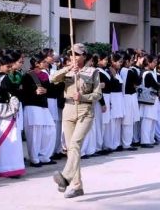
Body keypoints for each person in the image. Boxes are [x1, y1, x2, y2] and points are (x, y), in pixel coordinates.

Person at [51, 43, 102, 198]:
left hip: (85, 111)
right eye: (71, 53)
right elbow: (52, 79)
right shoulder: (66, 70)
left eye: (77, 54)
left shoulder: (93, 72)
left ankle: (65, 178)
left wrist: (83, 97)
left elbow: (98, 94)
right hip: (68, 110)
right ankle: (77, 186)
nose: (73, 56)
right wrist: (68, 69)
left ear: (84, 56)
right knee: (72, 150)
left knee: (75, 144)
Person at [0, 52, 25, 178]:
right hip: (7, 115)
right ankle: (10, 168)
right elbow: (16, 93)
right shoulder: (5, 79)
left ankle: (2, 166)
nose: (10, 69)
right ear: (0, 65)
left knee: (2, 141)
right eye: (8, 66)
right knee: (11, 141)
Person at [21, 53, 57, 167]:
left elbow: (51, 90)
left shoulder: (44, 75)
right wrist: (34, 92)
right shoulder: (27, 76)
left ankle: (45, 156)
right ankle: (34, 158)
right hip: (32, 106)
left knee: (50, 130)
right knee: (34, 133)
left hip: (43, 106)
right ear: (37, 63)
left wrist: (46, 91)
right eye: (44, 62)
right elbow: (23, 92)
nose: (47, 63)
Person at [138, 54, 160, 148]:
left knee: (151, 120)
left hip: (148, 99)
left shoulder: (144, 72)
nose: (155, 64)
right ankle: (145, 141)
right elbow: (156, 85)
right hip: (148, 99)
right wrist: (158, 85)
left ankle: (150, 139)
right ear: (149, 62)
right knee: (147, 120)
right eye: (154, 62)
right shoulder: (148, 73)